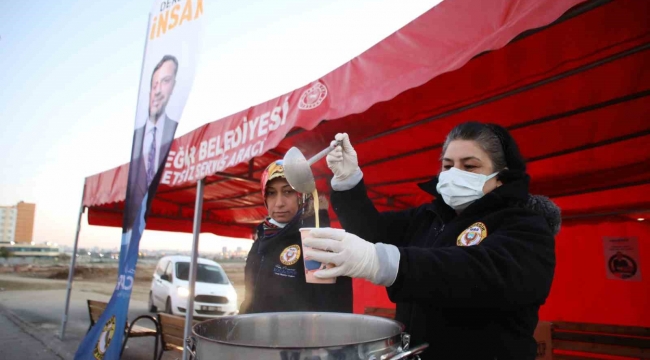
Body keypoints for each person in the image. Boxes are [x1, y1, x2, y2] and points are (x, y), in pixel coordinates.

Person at [303, 122, 560, 359]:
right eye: (448, 166)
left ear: (500, 178)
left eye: (469, 166)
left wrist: (385, 263)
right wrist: (348, 182)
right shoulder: (429, 217)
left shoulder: (526, 226)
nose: (454, 174)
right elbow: (372, 232)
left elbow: (479, 271)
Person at [239, 160, 353, 314]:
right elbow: (249, 299)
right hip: (255, 335)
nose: (279, 203)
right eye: (271, 193)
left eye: (288, 192)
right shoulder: (262, 238)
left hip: (299, 336)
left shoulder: (318, 240)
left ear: (303, 195)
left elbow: (332, 313)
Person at [124, 55, 180, 230]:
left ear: (173, 86)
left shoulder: (174, 133)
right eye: (154, 84)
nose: (157, 91)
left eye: (165, 81)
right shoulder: (138, 137)